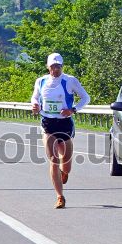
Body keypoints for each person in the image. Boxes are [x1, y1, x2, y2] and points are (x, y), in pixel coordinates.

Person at [31, 52, 90, 209]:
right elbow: (35, 97)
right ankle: (60, 197)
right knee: (53, 160)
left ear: (62, 67)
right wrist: (35, 105)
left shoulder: (70, 81)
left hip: (65, 124)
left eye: (58, 66)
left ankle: (64, 173)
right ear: (48, 67)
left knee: (66, 164)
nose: (55, 69)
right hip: (48, 123)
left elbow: (86, 98)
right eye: (53, 66)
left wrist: (73, 110)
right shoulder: (41, 81)